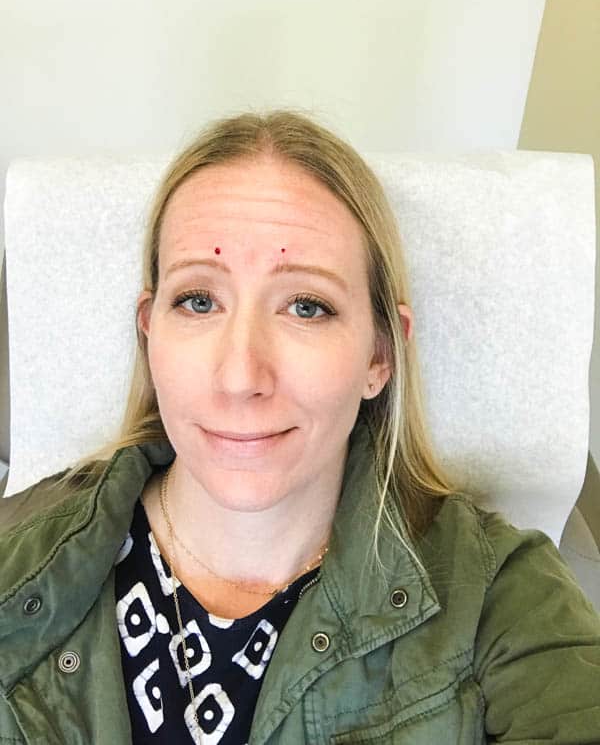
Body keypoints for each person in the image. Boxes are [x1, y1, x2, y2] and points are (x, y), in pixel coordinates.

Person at [0, 110, 599, 745]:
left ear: (379, 355)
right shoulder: (18, 558)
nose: (239, 377)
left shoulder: (502, 598)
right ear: (150, 330)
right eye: (198, 301)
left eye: (306, 307)